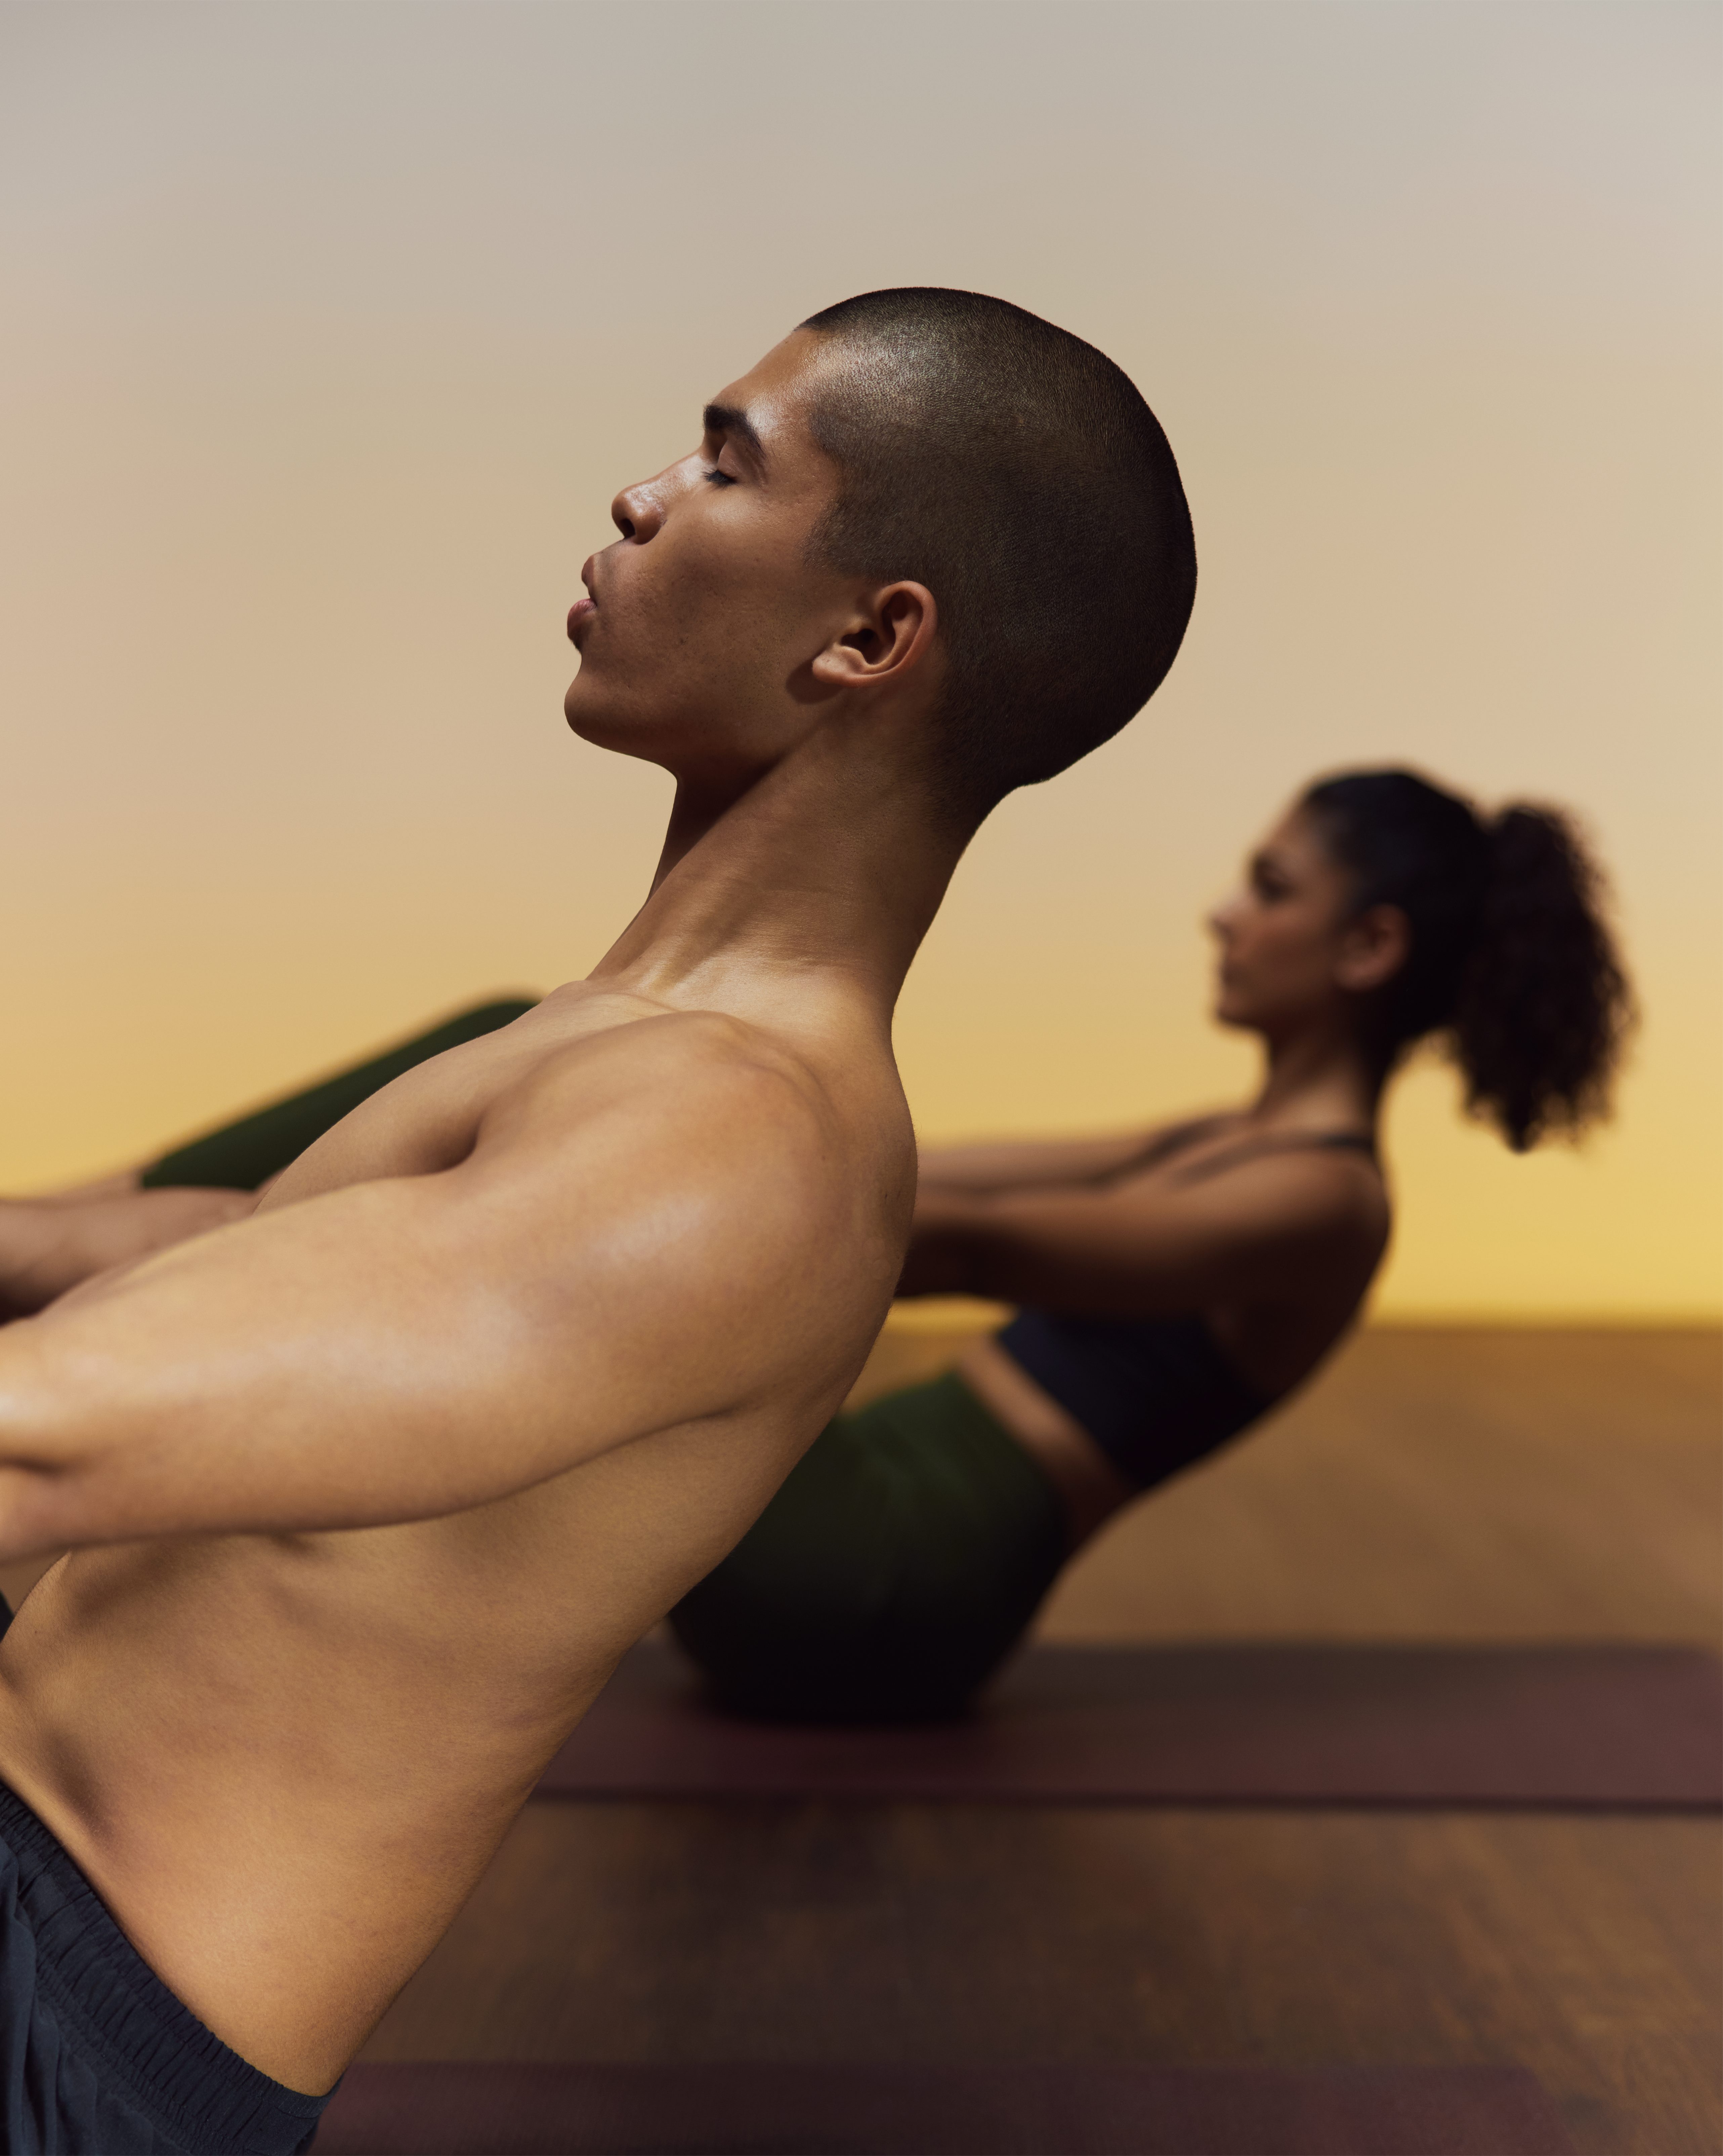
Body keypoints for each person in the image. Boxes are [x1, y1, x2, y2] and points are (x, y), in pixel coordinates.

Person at [0, 287, 1196, 2151]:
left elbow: (44, 1438)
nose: (642, 498)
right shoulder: (613, 1056)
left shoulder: (731, 1143)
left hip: (62, 2014)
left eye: (723, 462)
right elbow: (184, 1262)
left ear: (871, 638)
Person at [662, 767, 1633, 1722]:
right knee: (559, 1052)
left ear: (1370, 945)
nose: (1225, 913)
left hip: (888, 1578)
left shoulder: (1326, 1200)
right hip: (869, 1502)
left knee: (525, 1040)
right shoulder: (1225, 1140)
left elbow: (966, 1245)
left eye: (1272, 887)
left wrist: (664, 1196)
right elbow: (928, 1177)